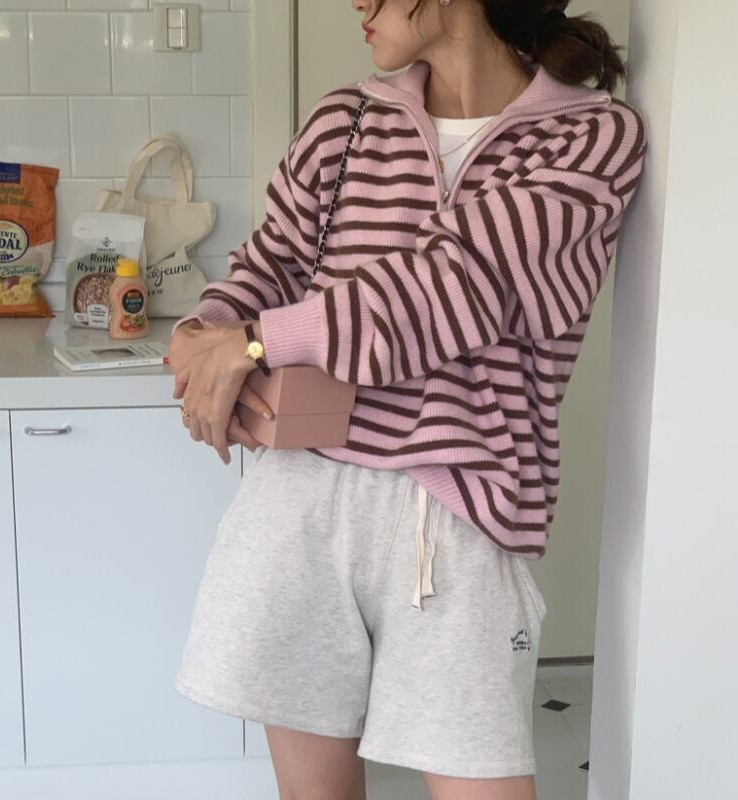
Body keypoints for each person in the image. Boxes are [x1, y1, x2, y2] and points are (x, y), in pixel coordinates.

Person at [168, 1, 648, 798]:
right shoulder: (344, 122)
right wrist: (203, 332)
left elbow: (453, 285)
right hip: (301, 497)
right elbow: (272, 261)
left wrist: (255, 342)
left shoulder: (591, 138)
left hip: (458, 512)